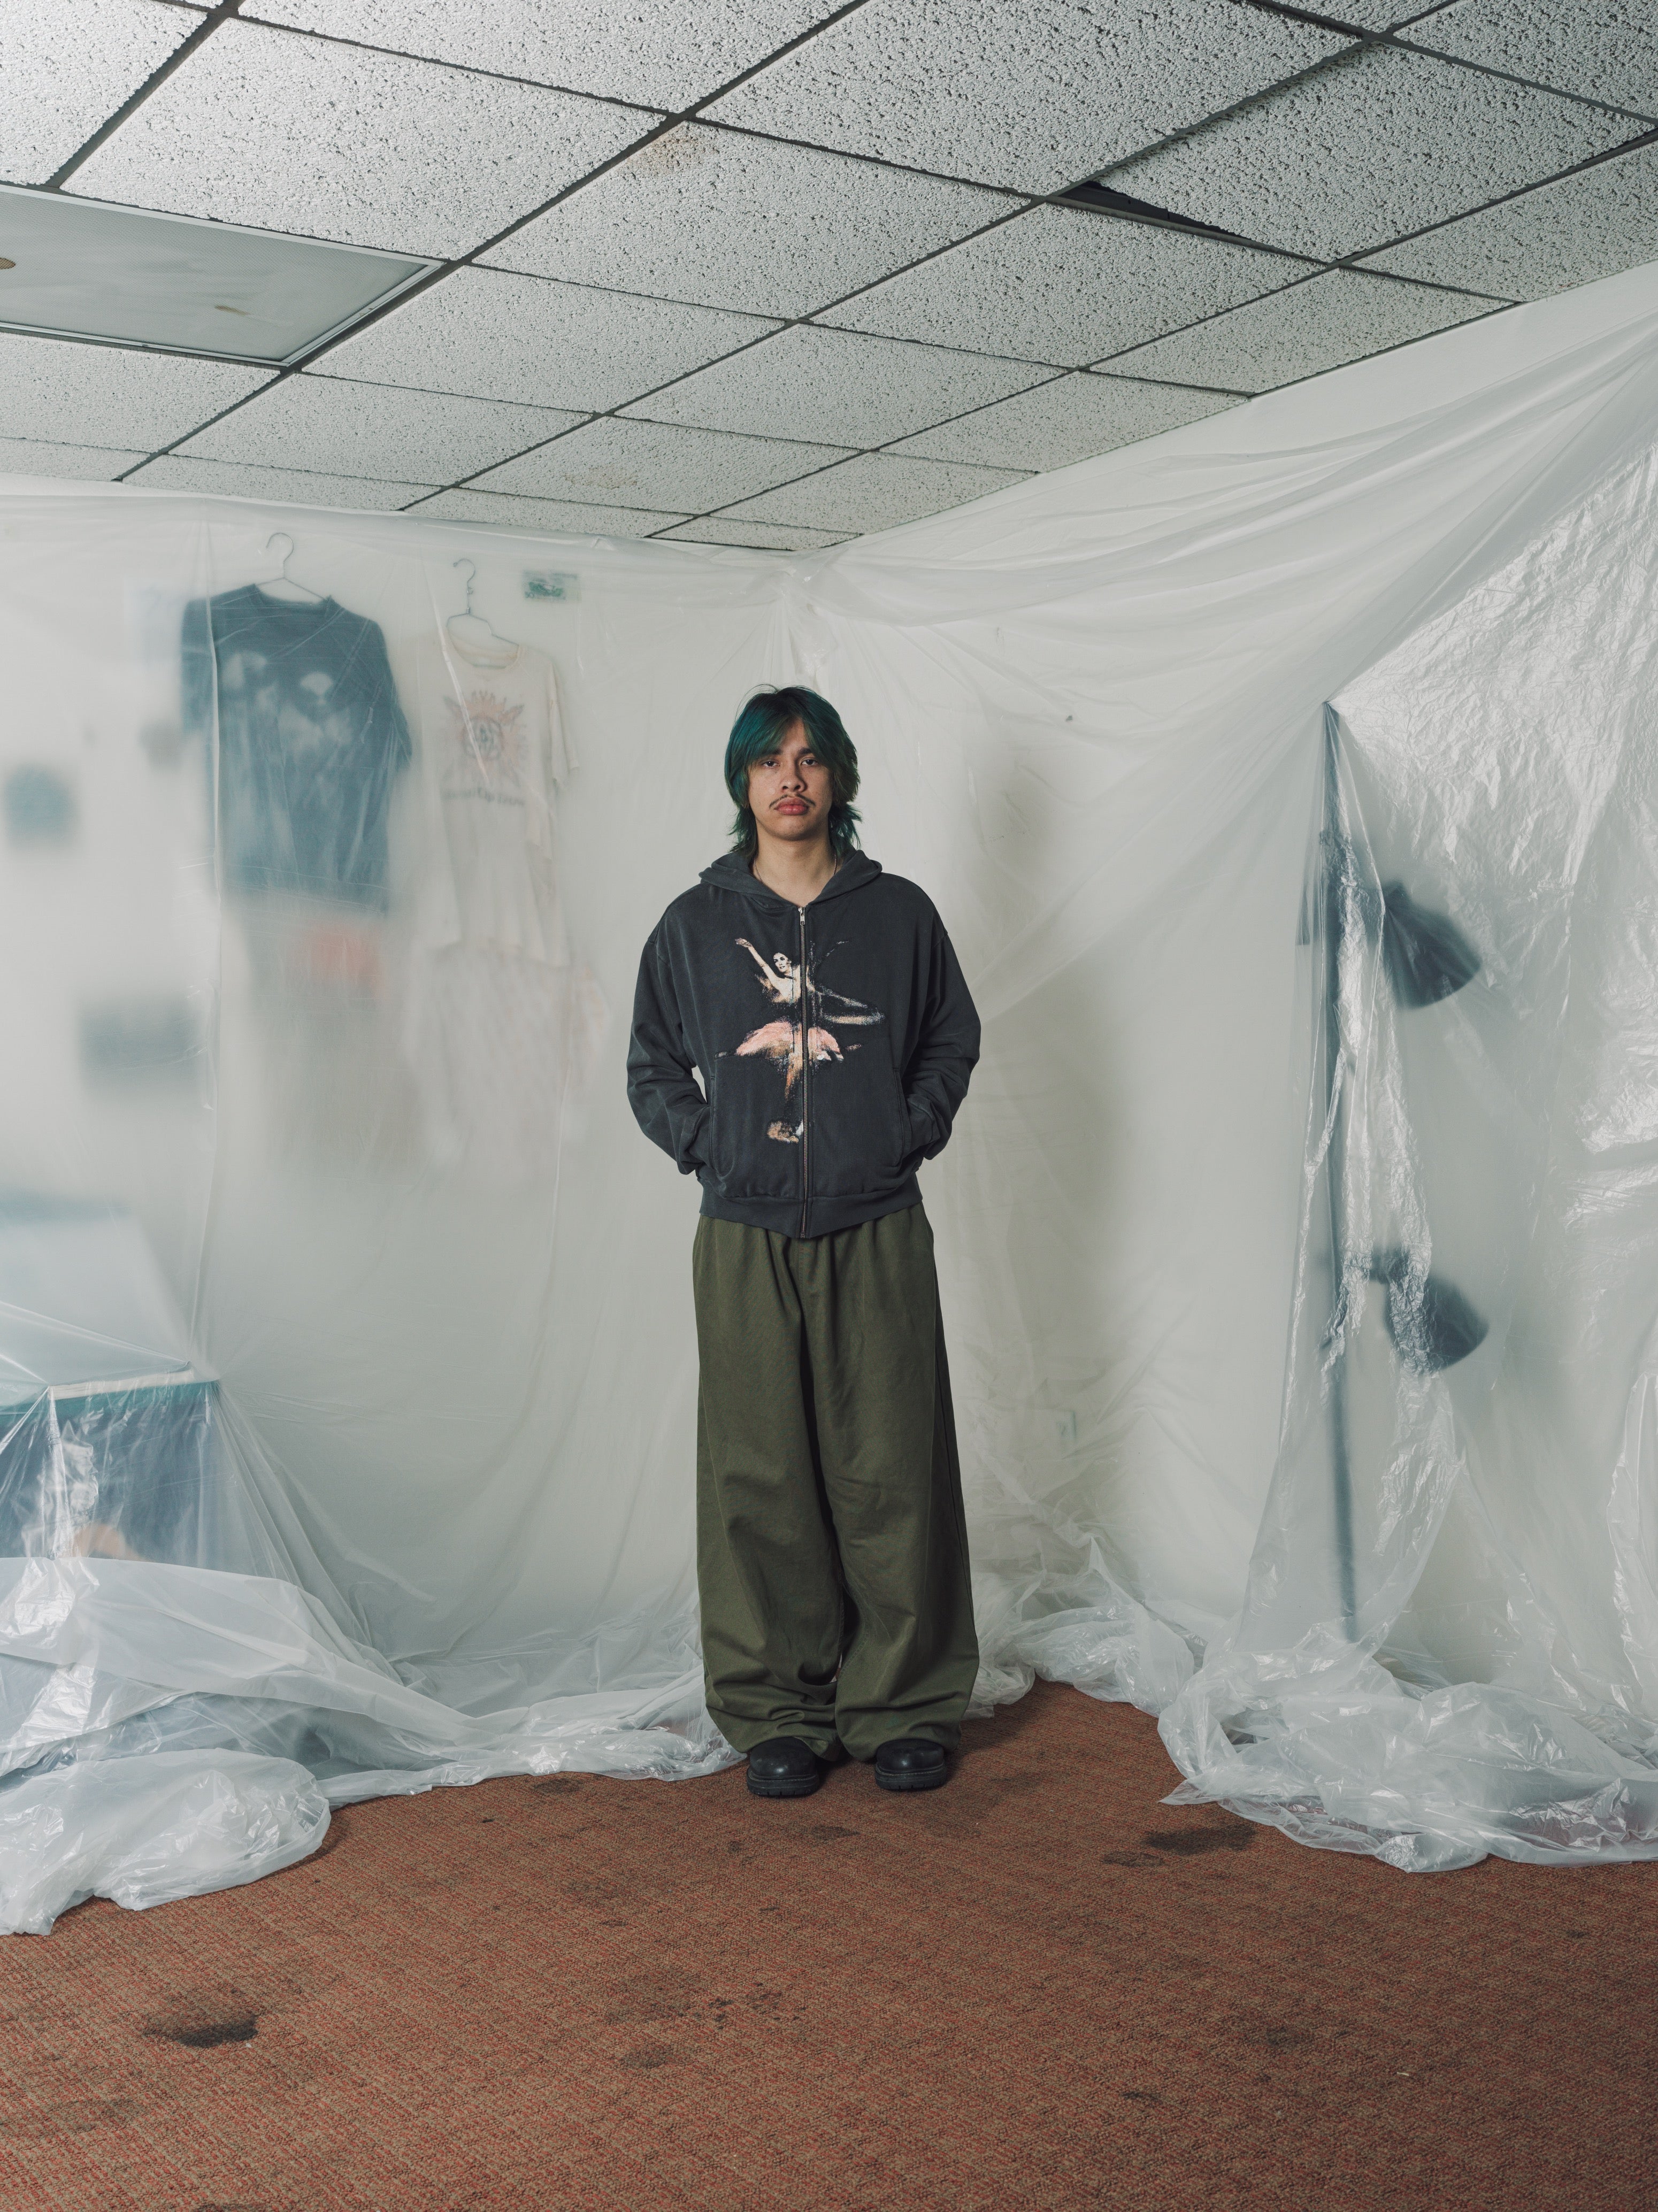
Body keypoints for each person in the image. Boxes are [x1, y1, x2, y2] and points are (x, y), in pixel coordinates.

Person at [627, 685, 981, 1800]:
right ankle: (778, 1706)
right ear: (742, 782)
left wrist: (900, 1135)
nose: (791, 778)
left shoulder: (899, 915)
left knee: (892, 1467)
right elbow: (650, 1064)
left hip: (875, 1224)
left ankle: (904, 1702)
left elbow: (950, 1039)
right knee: (760, 1473)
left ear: (839, 777)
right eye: (769, 760)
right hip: (743, 1234)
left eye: (810, 758)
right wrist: (713, 1149)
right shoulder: (694, 924)